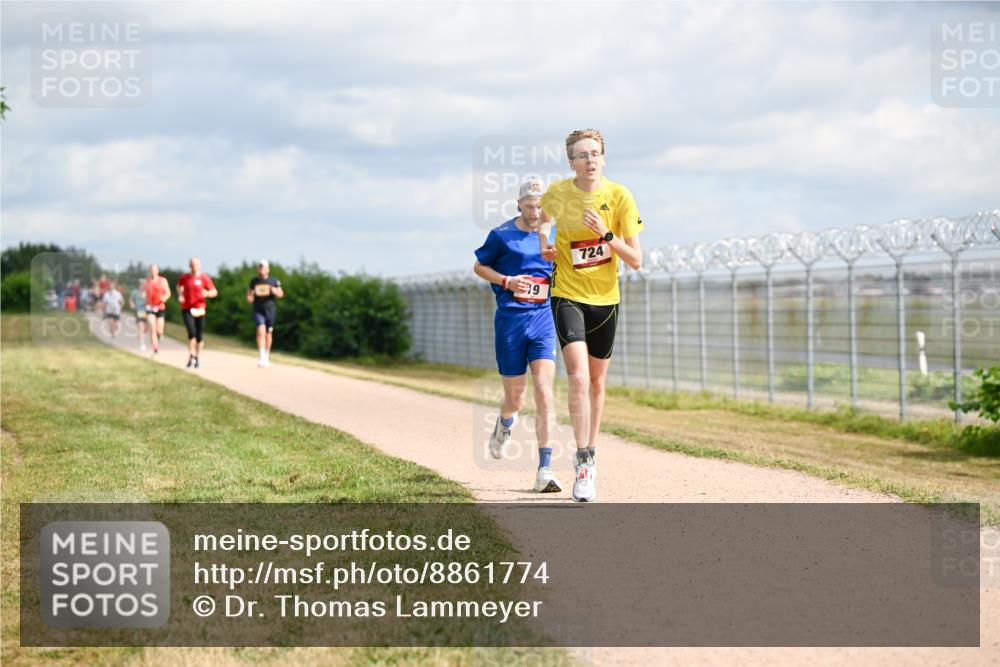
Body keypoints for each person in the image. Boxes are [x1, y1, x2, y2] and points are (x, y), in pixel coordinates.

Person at [538, 129, 644, 502]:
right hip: (567, 294)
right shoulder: (558, 192)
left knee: (597, 383)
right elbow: (543, 219)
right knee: (578, 377)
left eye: (595, 153)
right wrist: (545, 242)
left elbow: (636, 260)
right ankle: (582, 462)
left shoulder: (619, 196)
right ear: (571, 163)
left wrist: (606, 236)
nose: (590, 160)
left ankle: (592, 453)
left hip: (606, 301)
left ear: (604, 158)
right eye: (582, 155)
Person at [474, 178, 561, 493]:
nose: (535, 212)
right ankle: (504, 424)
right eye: (530, 206)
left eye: (540, 206)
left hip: (543, 320)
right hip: (511, 321)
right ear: (519, 205)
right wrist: (507, 281)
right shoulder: (501, 235)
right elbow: (479, 267)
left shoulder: (555, 234)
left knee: (544, 391)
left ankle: (545, 469)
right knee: (516, 398)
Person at [176, 257, 218, 369]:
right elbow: (179, 286)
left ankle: (198, 357)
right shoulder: (185, 277)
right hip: (187, 308)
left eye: (196, 264)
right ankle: (191, 355)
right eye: (192, 264)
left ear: (199, 265)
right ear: (189, 266)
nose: (194, 267)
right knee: (192, 333)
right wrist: (180, 295)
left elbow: (214, 291)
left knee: (199, 335)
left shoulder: (204, 277)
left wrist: (207, 293)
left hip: (200, 309)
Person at [246, 260, 284, 367]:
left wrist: (275, 291)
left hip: (270, 311)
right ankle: (261, 357)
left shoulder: (274, 281)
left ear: (268, 269)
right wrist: (250, 297)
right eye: (260, 267)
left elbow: (281, 294)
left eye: (263, 267)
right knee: (261, 330)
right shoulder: (254, 281)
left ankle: (266, 356)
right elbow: (249, 296)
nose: (261, 269)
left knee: (268, 333)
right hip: (258, 310)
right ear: (258, 269)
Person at [144, 264, 172, 355]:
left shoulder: (163, 280)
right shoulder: (147, 281)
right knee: (153, 329)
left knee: (159, 331)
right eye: (151, 269)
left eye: (154, 269)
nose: (153, 271)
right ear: (149, 270)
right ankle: (155, 348)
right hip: (150, 307)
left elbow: (168, 292)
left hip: (160, 307)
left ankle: (158, 339)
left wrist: (164, 298)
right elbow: (144, 293)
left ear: (157, 270)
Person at [129, 278, 148, 351]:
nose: (142, 285)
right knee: (141, 327)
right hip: (139, 311)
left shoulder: (147, 292)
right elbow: (131, 300)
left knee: (145, 328)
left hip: (147, 311)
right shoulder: (135, 292)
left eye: (143, 284)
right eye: (140, 284)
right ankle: (142, 344)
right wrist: (132, 304)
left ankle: (142, 333)